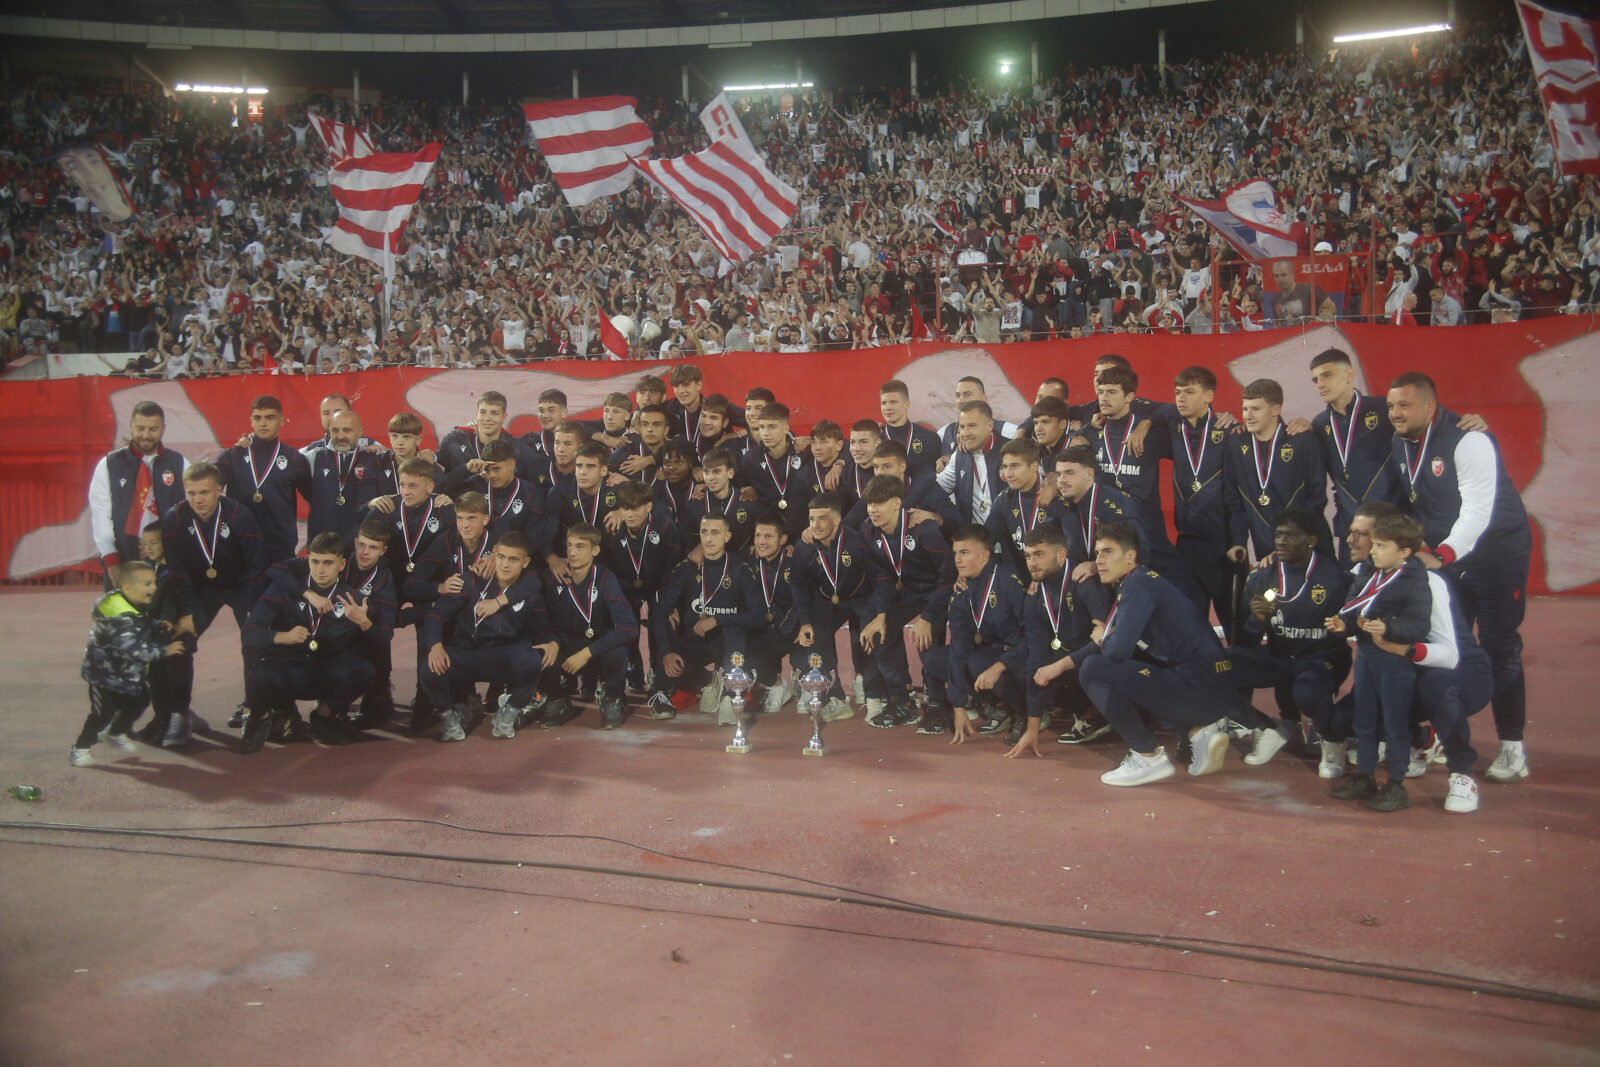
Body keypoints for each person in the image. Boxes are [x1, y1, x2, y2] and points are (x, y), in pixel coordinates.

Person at [1388, 371, 1533, 783]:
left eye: (1405, 405)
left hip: (1496, 554)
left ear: (1430, 407)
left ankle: (1511, 746)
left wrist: (1441, 554)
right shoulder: (1399, 441)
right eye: (1392, 406)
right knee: (1445, 646)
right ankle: (1439, 735)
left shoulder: (1469, 440)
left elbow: (1477, 512)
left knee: (1500, 647)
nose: (1396, 413)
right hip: (1446, 558)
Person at [1049, 523, 1247, 787]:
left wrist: (1103, 637)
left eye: (1108, 552)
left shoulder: (1136, 586)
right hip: (1214, 689)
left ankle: (1147, 755)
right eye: (1097, 553)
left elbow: (1115, 651)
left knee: (1094, 668)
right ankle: (1197, 731)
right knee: (1135, 666)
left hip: (1200, 693)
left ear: (1130, 557)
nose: (1100, 561)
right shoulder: (1144, 580)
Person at [1325, 512, 1433, 811]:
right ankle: (1365, 776)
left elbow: (1419, 626)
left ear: (1404, 552)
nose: (1372, 550)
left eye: (1381, 546)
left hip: (1395, 663)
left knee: (1395, 723)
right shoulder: (1368, 570)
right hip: (1367, 658)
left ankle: (1397, 784)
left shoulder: (1414, 579)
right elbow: (1352, 607)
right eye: (1374, 545)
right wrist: (1342, 625)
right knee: (1364, 720)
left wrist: (1389, 628)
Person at [1228, 509, 1352, 766]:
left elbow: (1345, 637)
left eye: (1291, 535)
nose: (1281, 541)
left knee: (1307, 690)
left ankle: (1330, 737)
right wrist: (1256, 621)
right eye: (1278, 535)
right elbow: (1248, 641)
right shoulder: (1261, 575)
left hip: (1319, 661)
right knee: (1211, 667)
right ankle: (1266, 727)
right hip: (1279, 658)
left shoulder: (1334, 578)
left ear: (1312, 540)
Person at [238, 532, 379, 754]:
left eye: (328, 563)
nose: (320, 570)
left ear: (342, 565)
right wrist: (282, 637)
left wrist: (364, 623)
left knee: (363, 669)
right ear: (307, 560)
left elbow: (378, 644)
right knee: (259, 670)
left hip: (322, 675)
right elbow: (249, 633)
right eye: (314, 562)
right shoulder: (283, 590)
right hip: (287, 672)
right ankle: (261, 717)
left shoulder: (353, 599)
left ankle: (324, 716)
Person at [420, 532, 557, 741]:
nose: (505, 565)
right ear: (493, 554)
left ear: (525, 562)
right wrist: (435, 646)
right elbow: (435, 615)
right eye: (501, 557)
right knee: (430, 666)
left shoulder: (529, 592)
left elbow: (544, 626)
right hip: (467, 653)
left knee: (532, 659)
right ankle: (450, 715)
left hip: (502, 657)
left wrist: (553, 643)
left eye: (513, 559)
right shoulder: (471, 581)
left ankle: (509, 712)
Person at [162, 462, 267, 726]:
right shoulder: (174, 518)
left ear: (219, 490)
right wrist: (185, 612)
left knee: (254, 639)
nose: (197, 499)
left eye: (204, 492)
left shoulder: (238, 515)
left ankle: (253, 707)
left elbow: (257, 564)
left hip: (240, 583)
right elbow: (177, 570)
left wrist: (254, 605)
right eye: (191, 493)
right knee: (181, 637)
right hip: (202, 587)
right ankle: (179, 711)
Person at [856, 475, 954, 730]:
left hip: (936, 591)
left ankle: (936, 703)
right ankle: (903, 699)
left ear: (897, 503)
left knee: (926, 639)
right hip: (906, 592)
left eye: (879, 503)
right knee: (879, 634)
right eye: (869, 503)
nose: (873, 510)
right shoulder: (867, 529)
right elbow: (881, 576)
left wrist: (929, 617)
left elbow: (947, 576)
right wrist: (881, 615)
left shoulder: (924, 529)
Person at [1005, 523, 1109, 756]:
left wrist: (1059, 666)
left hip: (1105, 658)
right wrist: (1033, 726)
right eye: (1028, 555)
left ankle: (1106, 714)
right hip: (1073, 657)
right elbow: (1035, 655)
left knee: (1086, 666)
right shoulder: (1034, 597)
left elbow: (1108, 639)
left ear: (1061, 555)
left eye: (1039, 555)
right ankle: (1085, 712)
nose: (1032, 563)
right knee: (1029, 671)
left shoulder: (1084, 583)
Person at [652, 513, 766, 725]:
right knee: (666, 641)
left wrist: (718, 619)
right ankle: (709, 681)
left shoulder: (739, 569)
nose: (709, 539)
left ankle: (732, 697)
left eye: (715, 533)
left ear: (727, 536)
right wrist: (666, 653)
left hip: (729, 642)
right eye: (704, 532)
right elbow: (660, 610)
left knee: (733, 629)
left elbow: (759, 614)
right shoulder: (686, 568)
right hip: (696, 639)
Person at [71, 560, 186, 767]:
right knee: (102, 713)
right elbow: (132, 648)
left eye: (153, 582)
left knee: (141, 699)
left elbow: (139, 622)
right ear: (127, 588)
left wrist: (156, 624)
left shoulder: (132, 604)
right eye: (147, 584)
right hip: (103, 676)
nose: (154, 587)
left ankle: (115, 732)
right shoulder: (122, 616)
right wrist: (164, 650)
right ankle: (80, 748)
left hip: (125, 673)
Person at [920, 524, 1028, 743]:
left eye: (965, 553)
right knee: (936, 660)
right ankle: (997, 705)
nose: (957, 559)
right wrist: (958, 706)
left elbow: (1031, 637)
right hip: (987, 651)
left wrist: (1002, 665)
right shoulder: (961, 592)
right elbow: (959, 649)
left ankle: (1026, 711)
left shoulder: (1008, 580)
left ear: (985, 555)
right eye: (956, 553)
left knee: (978, 662)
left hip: (1019, 653)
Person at [539, 525, 638, 729]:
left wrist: (587, 652)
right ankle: (557, 699)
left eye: (580, 546)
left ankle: (613, 698)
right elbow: (542, 621)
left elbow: (629, 627)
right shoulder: (552, 577)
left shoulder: (605, 577)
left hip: (596, 646)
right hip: (564, 645)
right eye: (569, 545)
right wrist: (553, 642)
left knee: (618, 651)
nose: (572, 552)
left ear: (595, 550)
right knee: (541, 649)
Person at [789, 492, 877, 719]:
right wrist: (805, 622)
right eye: (811, 519)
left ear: (837, 520)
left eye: (822, 518)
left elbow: (878, 578)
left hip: (862, 598)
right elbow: (797, 585)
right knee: (815, 636)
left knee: (870, 638)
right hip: (827, 599)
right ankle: (835, 698)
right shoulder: (804, 546)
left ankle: (875, 694)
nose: (815, 525)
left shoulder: (857, 542)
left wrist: (878, 615)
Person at [1224, 379, 1332, 563]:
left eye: (1256, 409)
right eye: (1245, 409)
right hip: (1267, 550)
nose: (1247, 415)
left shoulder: (1302, 440)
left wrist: (1295, 541)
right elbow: (1233, 499)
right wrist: (1238, 541)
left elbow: (1317, 498)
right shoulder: (1236, 443)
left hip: (1307, 548)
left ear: (1276, 409)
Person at [1167, 366, 1237, 634]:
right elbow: (1148, 410)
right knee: (1189, 624)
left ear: (1209, 396)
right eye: (1177, 392)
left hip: (1222, 544)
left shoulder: (1229, 431)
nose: (1181, 398)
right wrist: (1146, 424)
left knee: (1233, 623)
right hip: (1186, 543)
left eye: (1189, 392)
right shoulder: (1172, 427)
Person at [602, 479, 683, 701]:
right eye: (625, 508)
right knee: (627, 627)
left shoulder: (665, 526)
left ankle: (658, 672)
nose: (629, 514)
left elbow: (675, 563)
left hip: (659, 583)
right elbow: (606, 565)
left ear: (648, 507)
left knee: (663, 621)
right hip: (626, 585)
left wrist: (671, 603)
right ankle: (633, 670)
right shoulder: (612, 527)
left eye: (635, 508)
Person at [88, 400, 187, 579]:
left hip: (170, 563)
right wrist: (111, 560)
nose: (146, 435)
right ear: (131, 426)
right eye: (140, 428)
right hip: (124, 562)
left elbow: (189, 513)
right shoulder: (109, 465)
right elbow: (101, 515)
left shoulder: (179, 463)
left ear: (163, 428)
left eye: (153, 429)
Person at [218, 394, 311, 565]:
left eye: (269, 418)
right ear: (251, 421)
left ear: (281, 420)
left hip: (280, 546)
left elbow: (316, 498)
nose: (263, 423)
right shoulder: (233, 455)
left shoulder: (294, 459)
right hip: (240, 542)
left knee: (279, 591)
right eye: (258, 418)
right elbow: (209, 489)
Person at [134, 522, 201, 748]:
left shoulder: (175, 571)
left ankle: (179, 719)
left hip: (175, 634)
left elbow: (175, 604)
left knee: (175, 674)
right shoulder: (145, 568)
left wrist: (166, 625)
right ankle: (161, 719)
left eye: (154, 542)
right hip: (154, 635)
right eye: (146, 543)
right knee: (156, 680)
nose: (149, 547)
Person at [740, 401, 824, 540]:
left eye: (772, 427)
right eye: (762, 427)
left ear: (786, 428)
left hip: (804, 531)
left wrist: (839, 463)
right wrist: (748, 488)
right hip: (770, 534)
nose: (765, 433)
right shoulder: (751, 458)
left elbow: (842, 446)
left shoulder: (804, 451)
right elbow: (738, 482)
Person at [306, 409, 385, 541]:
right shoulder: (313, 456)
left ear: (360, 432)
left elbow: (408, 466)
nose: (340, 436)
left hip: (359, 545)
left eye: (347, 430)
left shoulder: (373, 456)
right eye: (335, 430)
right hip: (322, 545)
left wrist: (430, 456)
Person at [437, 390, 546, 485]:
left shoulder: (517, 449)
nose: (487, 418)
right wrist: (466, 470)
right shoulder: (454, 441)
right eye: (483, 412)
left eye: (494, 413)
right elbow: (438, 483)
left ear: (504, 417)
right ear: (477, 414)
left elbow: (539, 481)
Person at [936, 399, 1006, 526]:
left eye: (972, 426)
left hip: (1008, 539)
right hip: (974, 539)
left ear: (989, 426)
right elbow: (937, 487)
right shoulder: (959, 456)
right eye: (962, 427)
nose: (965, 433)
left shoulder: (1010, 452)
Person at [683, 446, 757, 554]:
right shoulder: (693, 506)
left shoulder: (747, 501)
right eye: (706, 472)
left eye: (716, 471)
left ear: (730, 473)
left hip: (742, 564)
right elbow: (688, 545)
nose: (710, 477)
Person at [878, 378, 943, 473]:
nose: (887, 407)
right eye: (884, 403)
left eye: (893, 402)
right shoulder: (877, 440)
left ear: (907, 404)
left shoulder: (930, 438)